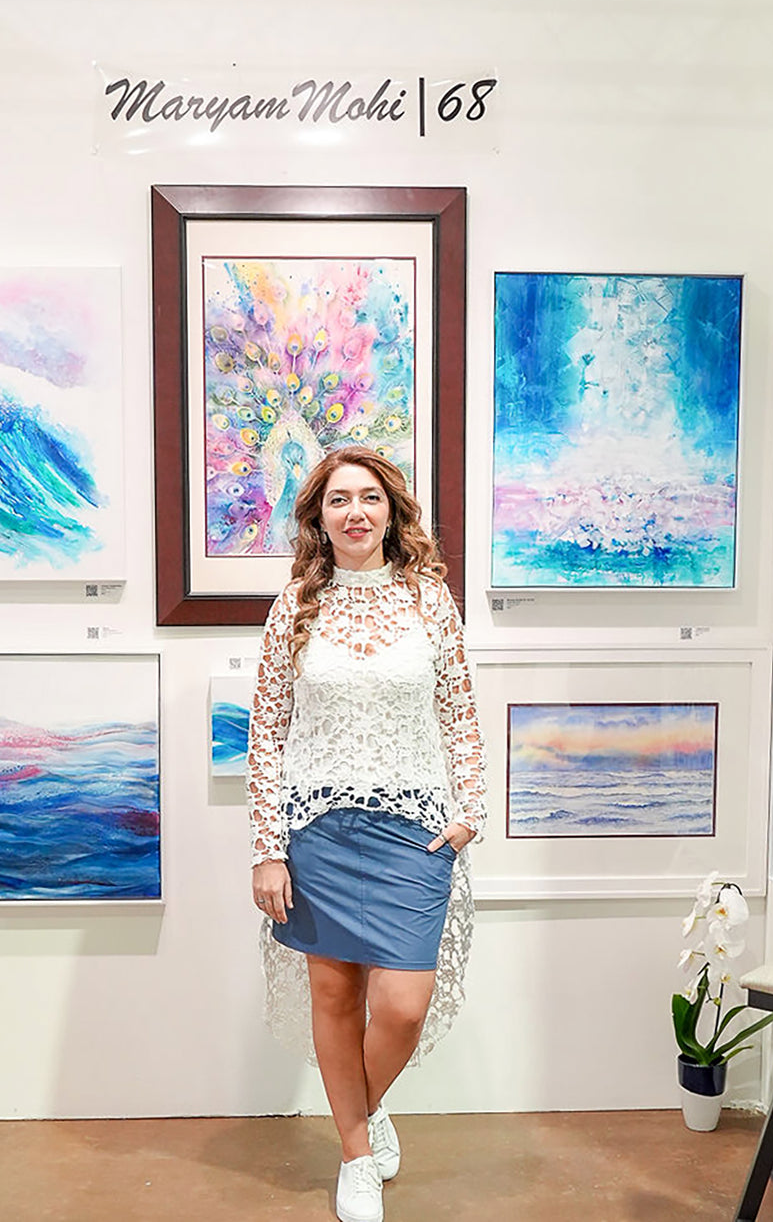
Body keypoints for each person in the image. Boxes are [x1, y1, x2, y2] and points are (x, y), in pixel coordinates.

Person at [247, 445, 486, 1222]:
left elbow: (457, 710)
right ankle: (356, 1154)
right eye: (339, 499)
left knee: (403, 1005)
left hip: (413, 829)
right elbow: (267, 730)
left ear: (392, 511)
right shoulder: (296, 605)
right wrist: (267, 845)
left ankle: (359, 1105)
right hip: (315, 823)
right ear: (318, 515)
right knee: (332, 992)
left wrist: (467, 810)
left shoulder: (428, 599)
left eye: (370, 498)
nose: (356, 511)